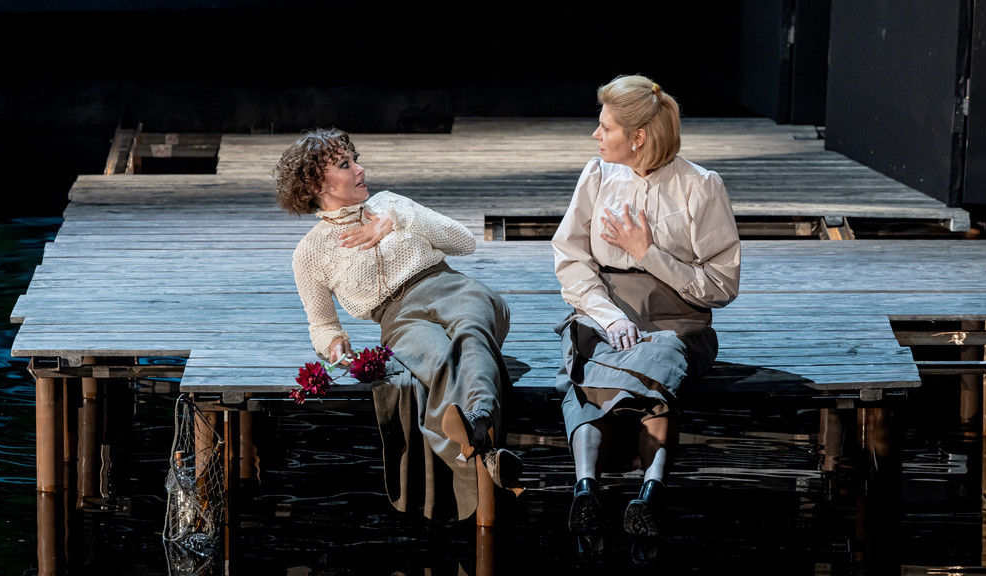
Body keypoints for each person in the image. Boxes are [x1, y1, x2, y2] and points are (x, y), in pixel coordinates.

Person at [273, 127, 520, 521]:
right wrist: (334, 344)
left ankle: (477, 424)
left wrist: (399, 219)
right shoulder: (310, 252)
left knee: (470, 334)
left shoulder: (389, 203)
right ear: (316, 183)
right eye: (345, 165)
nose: (360, 169)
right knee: (438, 359)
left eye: (354, 160)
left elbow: (465, 241)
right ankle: (484, 444)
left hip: (451, 288)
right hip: (399, 318)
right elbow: (321, 323)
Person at [552, 75, 741, 549]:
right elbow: (571, 259)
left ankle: (649, 494)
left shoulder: (699, 187)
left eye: (606, 127)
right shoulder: (598, 176)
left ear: (638, 137)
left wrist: (649, 253)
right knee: (583, 368)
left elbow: (722, 285)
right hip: (605, 312)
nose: (596, 135)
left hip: (676, 319)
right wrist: (607, 315)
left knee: (659, 362)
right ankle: (586, 488)